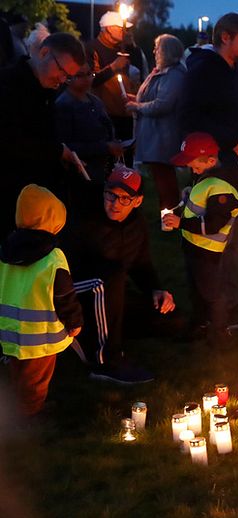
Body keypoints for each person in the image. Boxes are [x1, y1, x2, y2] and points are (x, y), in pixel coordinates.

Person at [178, 12, 238, 328]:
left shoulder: (235, 72)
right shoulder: (204, 71)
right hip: (218, 170)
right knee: (215, 237)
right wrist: (230, 139)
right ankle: (211, 308)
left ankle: (228, 299)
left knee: (237, 239)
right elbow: (191, 117)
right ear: (225, 37)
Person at [63, 166, 175, 384]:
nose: (115, 203)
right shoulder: (85, 219)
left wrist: (156, 289)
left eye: (125, 198)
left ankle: (111, 331)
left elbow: (140, 262)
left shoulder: (137, 224)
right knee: (110, 276)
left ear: (138, 201)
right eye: (111, 195)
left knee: (173, 321)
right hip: (76, 289)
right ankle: (106, 362)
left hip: (111, 291)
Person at [0, 185, 83, 416]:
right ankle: (29, 417)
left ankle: (18, 405)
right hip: (40, 337)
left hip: (9, 330)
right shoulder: (53, 257)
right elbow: (64, 296)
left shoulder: (6, 249)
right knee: (35, 382)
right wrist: (74, 322)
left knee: (18, 373)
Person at [0, 32, 85, 236]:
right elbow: (10, 141)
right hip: (8, 196)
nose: (62, 79)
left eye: (68, 76)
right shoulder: (7, 85)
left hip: (37, 197)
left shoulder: (47, 90)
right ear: (44, 52)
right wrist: (56, 151)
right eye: (61, 70)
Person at [162, 133, 238, 346]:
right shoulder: (206, 178)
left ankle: (220, 332)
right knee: (196, 290)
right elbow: (198, 204)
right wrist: (183, 205)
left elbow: (215, 224)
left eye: (193, 163)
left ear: (210, 161)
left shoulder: (221, 187)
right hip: (194, 247)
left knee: (212, 293)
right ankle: (199, 325)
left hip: (207, 252)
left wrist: (181, 223)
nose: (190, 167)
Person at [129, 34, 186, 211]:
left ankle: (169, 218)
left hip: (163, 137)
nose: (154, 52)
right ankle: (167, 216)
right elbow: (153, 98)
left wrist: (137, 106)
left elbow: (163, 104)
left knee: (164, 180)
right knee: (161, 178)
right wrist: (135, 100)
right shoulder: (162, 73)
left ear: (166, 52)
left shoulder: (174, 75)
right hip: (156, 136)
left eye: (157, 48)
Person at [54, 61, 121, 205]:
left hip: (102, 171)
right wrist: (105, 147)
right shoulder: (64, 105)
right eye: (80, 75)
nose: (87, 79)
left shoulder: (95, 101)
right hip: (80, 174)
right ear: (68, 78)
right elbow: (65, 145)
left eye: (89, 74)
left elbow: (106, 128)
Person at [85, 11, 134, 147]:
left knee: (126, 158)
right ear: (108, 28)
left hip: (125, 113)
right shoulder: (91, 48)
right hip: (105, 113)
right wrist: (113, 67)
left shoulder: (122, 49)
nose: (124, 31)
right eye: (120, 28)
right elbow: (91, 80)